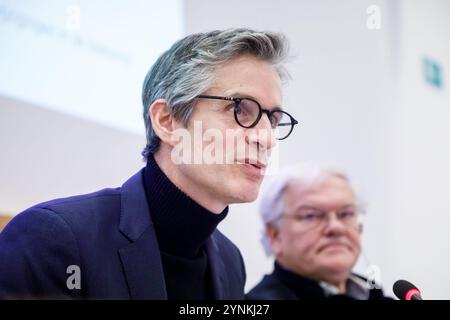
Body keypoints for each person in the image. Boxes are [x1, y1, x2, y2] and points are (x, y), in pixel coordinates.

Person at [0, 28, 298, 299]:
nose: (267, 138)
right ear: (167, 121)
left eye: (272, 120)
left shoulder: (230, 262)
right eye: (239, 109)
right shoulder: (55, 239)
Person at [246, 164, 390, 300]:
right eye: (311, 215)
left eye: (345, 214)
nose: (336, 228)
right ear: (275, 236)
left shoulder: (372, 293)